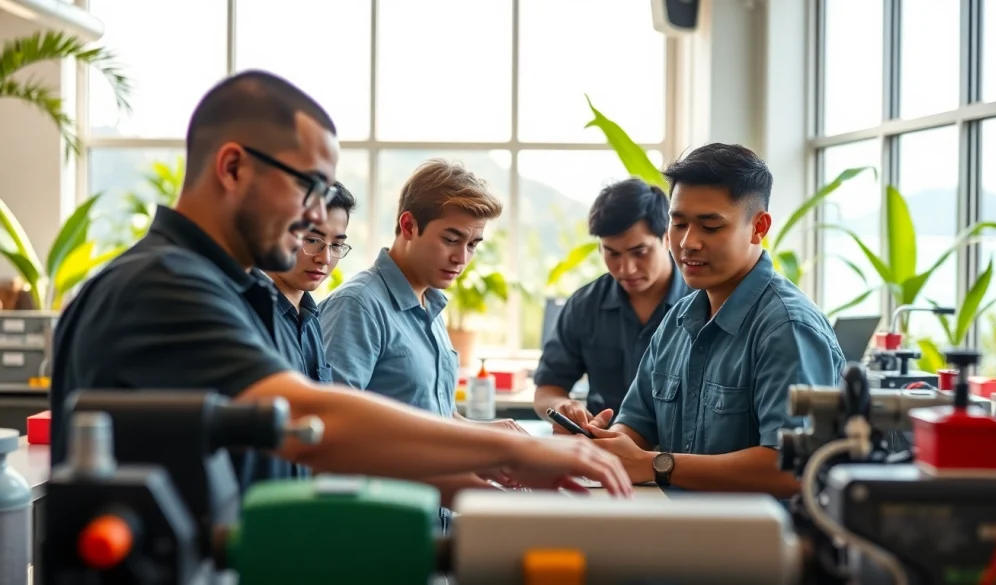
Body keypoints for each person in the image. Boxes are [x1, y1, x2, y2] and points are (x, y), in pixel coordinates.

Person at [48, 69, 633, 500]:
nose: (313, 219)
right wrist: (510, 447)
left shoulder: (252, 298)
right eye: (308, 187)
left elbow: (308, 450)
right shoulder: (163, 285)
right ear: (232, 167)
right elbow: (310, 424)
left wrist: (483, 473)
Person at [585, 143, 844, 498]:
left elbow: (792, 467)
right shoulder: (678, 318)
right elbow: (638, 422)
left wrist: (656, 464)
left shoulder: (786, 328)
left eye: (710, 226)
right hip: (680, 531)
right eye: (678, 224)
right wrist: (601, 444)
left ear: (759, 227)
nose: (689, 243)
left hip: (756, 546)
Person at [317, 159, 527, 515]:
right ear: (409, 225)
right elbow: (336, 437)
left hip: (428, 522)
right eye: (451, 239)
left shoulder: (428, 304)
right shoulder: (359, 306)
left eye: (473, 244)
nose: (462, 258)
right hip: (380, 526)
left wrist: (486, 435)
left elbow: (426, 413)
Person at [532, 178, 692, 432]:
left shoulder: (705, 300)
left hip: (681, 458)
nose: (626, 268)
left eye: (640, 252)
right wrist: (563, 406)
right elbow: (546, 390)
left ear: (666, 238)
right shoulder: (584, 306)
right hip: (602, 453)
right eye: (612, 253)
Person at [264, 182, 356, 383]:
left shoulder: (311, 317)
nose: (325, 258)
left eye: (337, 245)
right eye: (312, 240)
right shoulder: (254, 314)